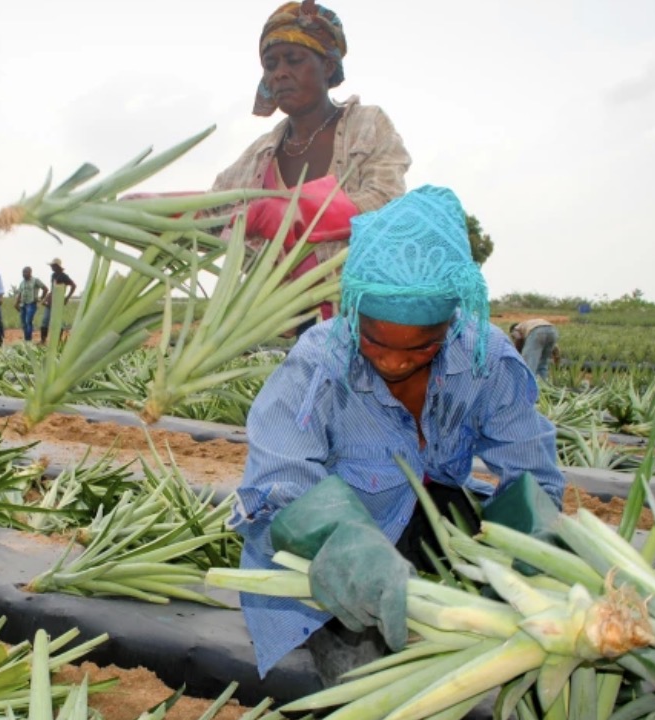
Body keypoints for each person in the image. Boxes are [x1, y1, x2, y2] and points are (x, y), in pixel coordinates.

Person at [229, 185, 563, 684]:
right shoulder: (317, 364)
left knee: (550, 615)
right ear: (353, 309)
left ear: (451, 322)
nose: (394, 360)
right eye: (374, 340)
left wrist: (534, 544)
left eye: (422, 347)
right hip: (335, 533)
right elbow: (275, 484)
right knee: (366, 680)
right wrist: (338, 539)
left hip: (431, 516)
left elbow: (531, 473)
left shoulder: (486, 359)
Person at [210, 0, 412, 335]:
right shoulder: (260, 154)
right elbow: (212, 210)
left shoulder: (366, 124)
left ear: (328, 66)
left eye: (294, 59)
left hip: (361, 322)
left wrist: (296, 213)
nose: (280, 73)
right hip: (279, 328)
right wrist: (158, 212)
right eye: (270, 64)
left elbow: (385, 200)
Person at [40, 257, 77, 344]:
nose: (51, 267)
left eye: (52, 266)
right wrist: (45, 299)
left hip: (58, 301)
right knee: (45, 320)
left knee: (58, 321)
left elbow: (73, 285)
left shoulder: (64, 276)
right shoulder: (53, 275)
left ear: (57, 266)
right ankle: (43, 340)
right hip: (50, 301)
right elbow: (52, 289)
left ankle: (58, 341)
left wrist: (67, 297)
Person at [13, 266, 48, 343]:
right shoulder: (22, 283)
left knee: (28, 321)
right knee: (24, 323)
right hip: (23, 305)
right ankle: (27, 339)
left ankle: (29, 340)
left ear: (30, 273)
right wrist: (16, 303)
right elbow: (20, 293)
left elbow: (45, 288)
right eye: (23, 272)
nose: (24, 274)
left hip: (31, 304)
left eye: (26, 272)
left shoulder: (35, 280)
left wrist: (41, 299)